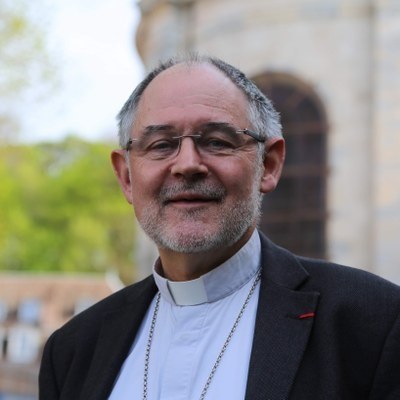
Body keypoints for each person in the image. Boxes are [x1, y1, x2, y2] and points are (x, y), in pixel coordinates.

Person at [39, 54, 400, 400]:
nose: (187, 165)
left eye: (217, 142)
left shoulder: (375, 323)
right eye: (161, 145)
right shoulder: (73, 351)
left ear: (269, 165)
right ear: (127, 177)